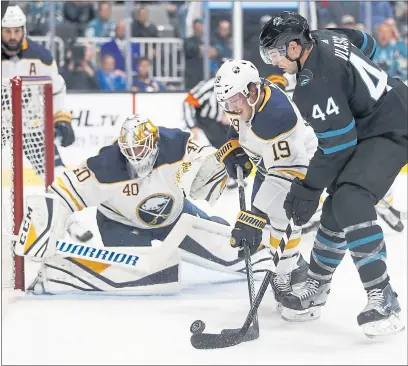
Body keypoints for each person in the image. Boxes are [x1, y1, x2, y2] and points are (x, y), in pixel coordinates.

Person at [259, 11, 407, 337]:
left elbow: (339, 145)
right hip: (384, 111)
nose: (274, 62)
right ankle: (317, 284)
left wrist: (308, 188)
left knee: (351, 199)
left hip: (391, 126)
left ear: (296, 48)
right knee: (336, 204)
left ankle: (383, 297)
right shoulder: (326, 36)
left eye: (276, 54)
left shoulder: (312, 87)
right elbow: (367, 44)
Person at [19, 115, 274, 295]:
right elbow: (62, 191)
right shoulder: (106, 166)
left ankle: (278, 261)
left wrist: (227, 160)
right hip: (120, 224)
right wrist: (42, 220)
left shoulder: (175, 144)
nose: (136, 155)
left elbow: (206, 159)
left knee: (232, 253)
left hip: (174, 215)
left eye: (141, 149)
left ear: (154, 142)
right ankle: (58, 276)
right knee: (154, 275)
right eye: (130, 149)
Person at [213, 60, 316, 309]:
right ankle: (295, 265)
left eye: (235, 100)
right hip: (269, 163)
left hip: (299, 164)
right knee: (264, 224)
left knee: (281, 217)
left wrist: (254, 215)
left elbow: (288, 171)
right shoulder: (246, 101)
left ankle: (283, 276)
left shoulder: (278, 116)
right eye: (226, 103)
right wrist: (234, 147)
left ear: (251, 91)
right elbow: (240, 127)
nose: (231, 108)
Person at [1, 5, 75, 171]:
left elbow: (57, 89)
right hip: (1, 124)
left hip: (31, 125)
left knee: (56, 176)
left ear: (24, 29)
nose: (12, 37)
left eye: (17, 31)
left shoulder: (41, 57)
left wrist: (61, 119)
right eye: (7, 31)